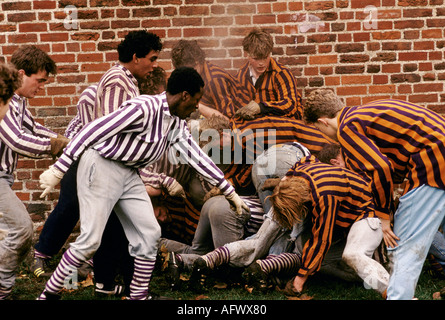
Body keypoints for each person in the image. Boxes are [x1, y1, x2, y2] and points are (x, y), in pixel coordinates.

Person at [36, 67, 249, 300]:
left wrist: (229, 192)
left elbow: (196, 156)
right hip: (102, 165)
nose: (197, 108)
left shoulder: (176, 123)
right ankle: (48, 295)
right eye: (196, 101)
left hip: (129, 173)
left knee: (149, 232)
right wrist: (59, 168)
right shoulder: (144, 107)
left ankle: (139, 295)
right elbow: (93, 130)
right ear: (184, 96)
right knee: (90, 240)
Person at [33, 30, 163, 297]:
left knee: (121, 231)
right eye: (152, 58)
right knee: (95, 236)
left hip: (115, 167)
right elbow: (110, 129)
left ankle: (117, 288)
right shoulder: (117, 80)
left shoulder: (126, 78)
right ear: (136, 57)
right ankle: (51, 290)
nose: (154, 64)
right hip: (107, 166)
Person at [303, 88, 445, 300]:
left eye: (317, 128)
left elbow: (380, 168)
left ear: (323, 121)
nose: (323, 134)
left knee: (403, 245)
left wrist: (384, 217)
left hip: (433, 162)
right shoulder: (363, 114)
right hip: (438, 148)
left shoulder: (347, 128)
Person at [268, 155, 389, 298]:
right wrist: (284, 180)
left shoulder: (324, 197)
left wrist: (299, 281)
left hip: (370, 213)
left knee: (352, 255)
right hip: (351, 214)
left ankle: (393, 290)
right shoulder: (299, 171)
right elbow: (308, 158)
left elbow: (322, 239)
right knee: (309, 253)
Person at [0, 46, 68, 300]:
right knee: (21, 229)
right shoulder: (3, 99)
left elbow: (34, 128)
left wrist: (66, 141)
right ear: (20, 74)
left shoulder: (17, 103)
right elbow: (17, 140)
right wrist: (54, 147)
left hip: (4, 178)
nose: (40, 87)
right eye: (38, 81)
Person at [171, 39, 251, 119]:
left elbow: (229, 120)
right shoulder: (197, 76)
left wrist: (197, 105)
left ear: (197, 62)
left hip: (243, 122)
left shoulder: (215, 79)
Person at [235, 28, 303, 120]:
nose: (261, 63)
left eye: (265, 57)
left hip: (283, 127)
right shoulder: (241, 75)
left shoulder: (281, 74)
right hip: (256, 127)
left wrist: (261, 107)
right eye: (256, 58)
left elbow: (290, 106)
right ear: (246, 54)